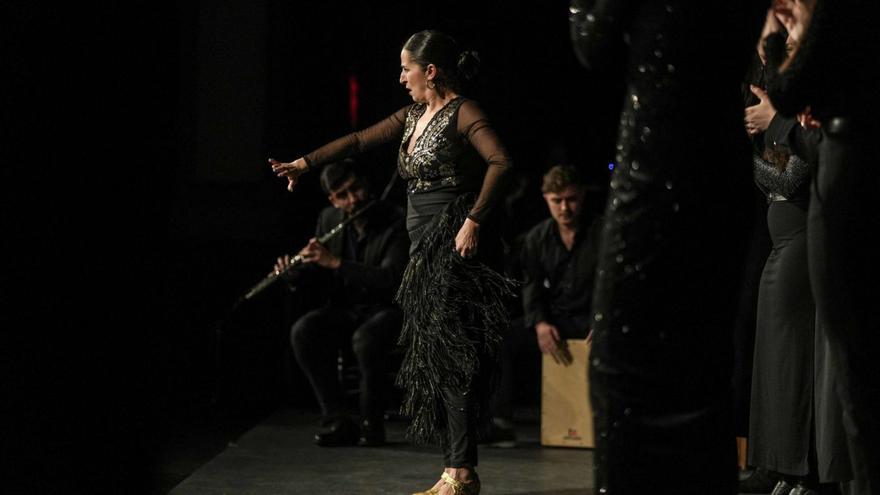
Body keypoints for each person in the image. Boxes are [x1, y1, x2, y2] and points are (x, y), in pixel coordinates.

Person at [271, 30, 513, 495]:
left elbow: (501, 162)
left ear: (431, 70)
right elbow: (360, 139)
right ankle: (455, 470)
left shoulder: (464, 111)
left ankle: (461, 473)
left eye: (406, 68)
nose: (401, 77)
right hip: (421, 246)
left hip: (450, 240)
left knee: (451, 355)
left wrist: (475, 221)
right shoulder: (413, 115)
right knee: (439, 358)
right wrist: (305, 162)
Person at [569, 1, 766, 493]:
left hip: (657, 170)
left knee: (622, 364)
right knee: (701, 369)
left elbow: (593, 45)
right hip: (721, 170)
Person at [762, 1, 880, 493]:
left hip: (846, 186)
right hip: (844, 168)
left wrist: (773, 46)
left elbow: (789, 94)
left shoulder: (835, 15)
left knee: (851, 357)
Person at [275, 159, 409, 447]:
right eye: (343, 195)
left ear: (365, 184)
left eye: (356, 188)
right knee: (304, 330)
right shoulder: (329, 219)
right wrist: (293, 273)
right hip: (348, 308)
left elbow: (389, 278)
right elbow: (318, 273)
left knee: (366, 338)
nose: (353, 199)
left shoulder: (396, 220)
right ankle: (337, 419)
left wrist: (335, 262)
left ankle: (372, 423)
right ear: (333, 200)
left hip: (387, 308)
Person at [484, 164, 601, 447]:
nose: (564, 208)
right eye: (556, 201)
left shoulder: (601, 233)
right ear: (546, 199)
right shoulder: (537, 238)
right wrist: (539, 322)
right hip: (557, 319)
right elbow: (531, 285)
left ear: (582, 197)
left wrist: (603, 323)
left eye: (571, 199)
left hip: (591, 320)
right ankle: (501, 422)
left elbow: (611, 286)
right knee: (501, 339)